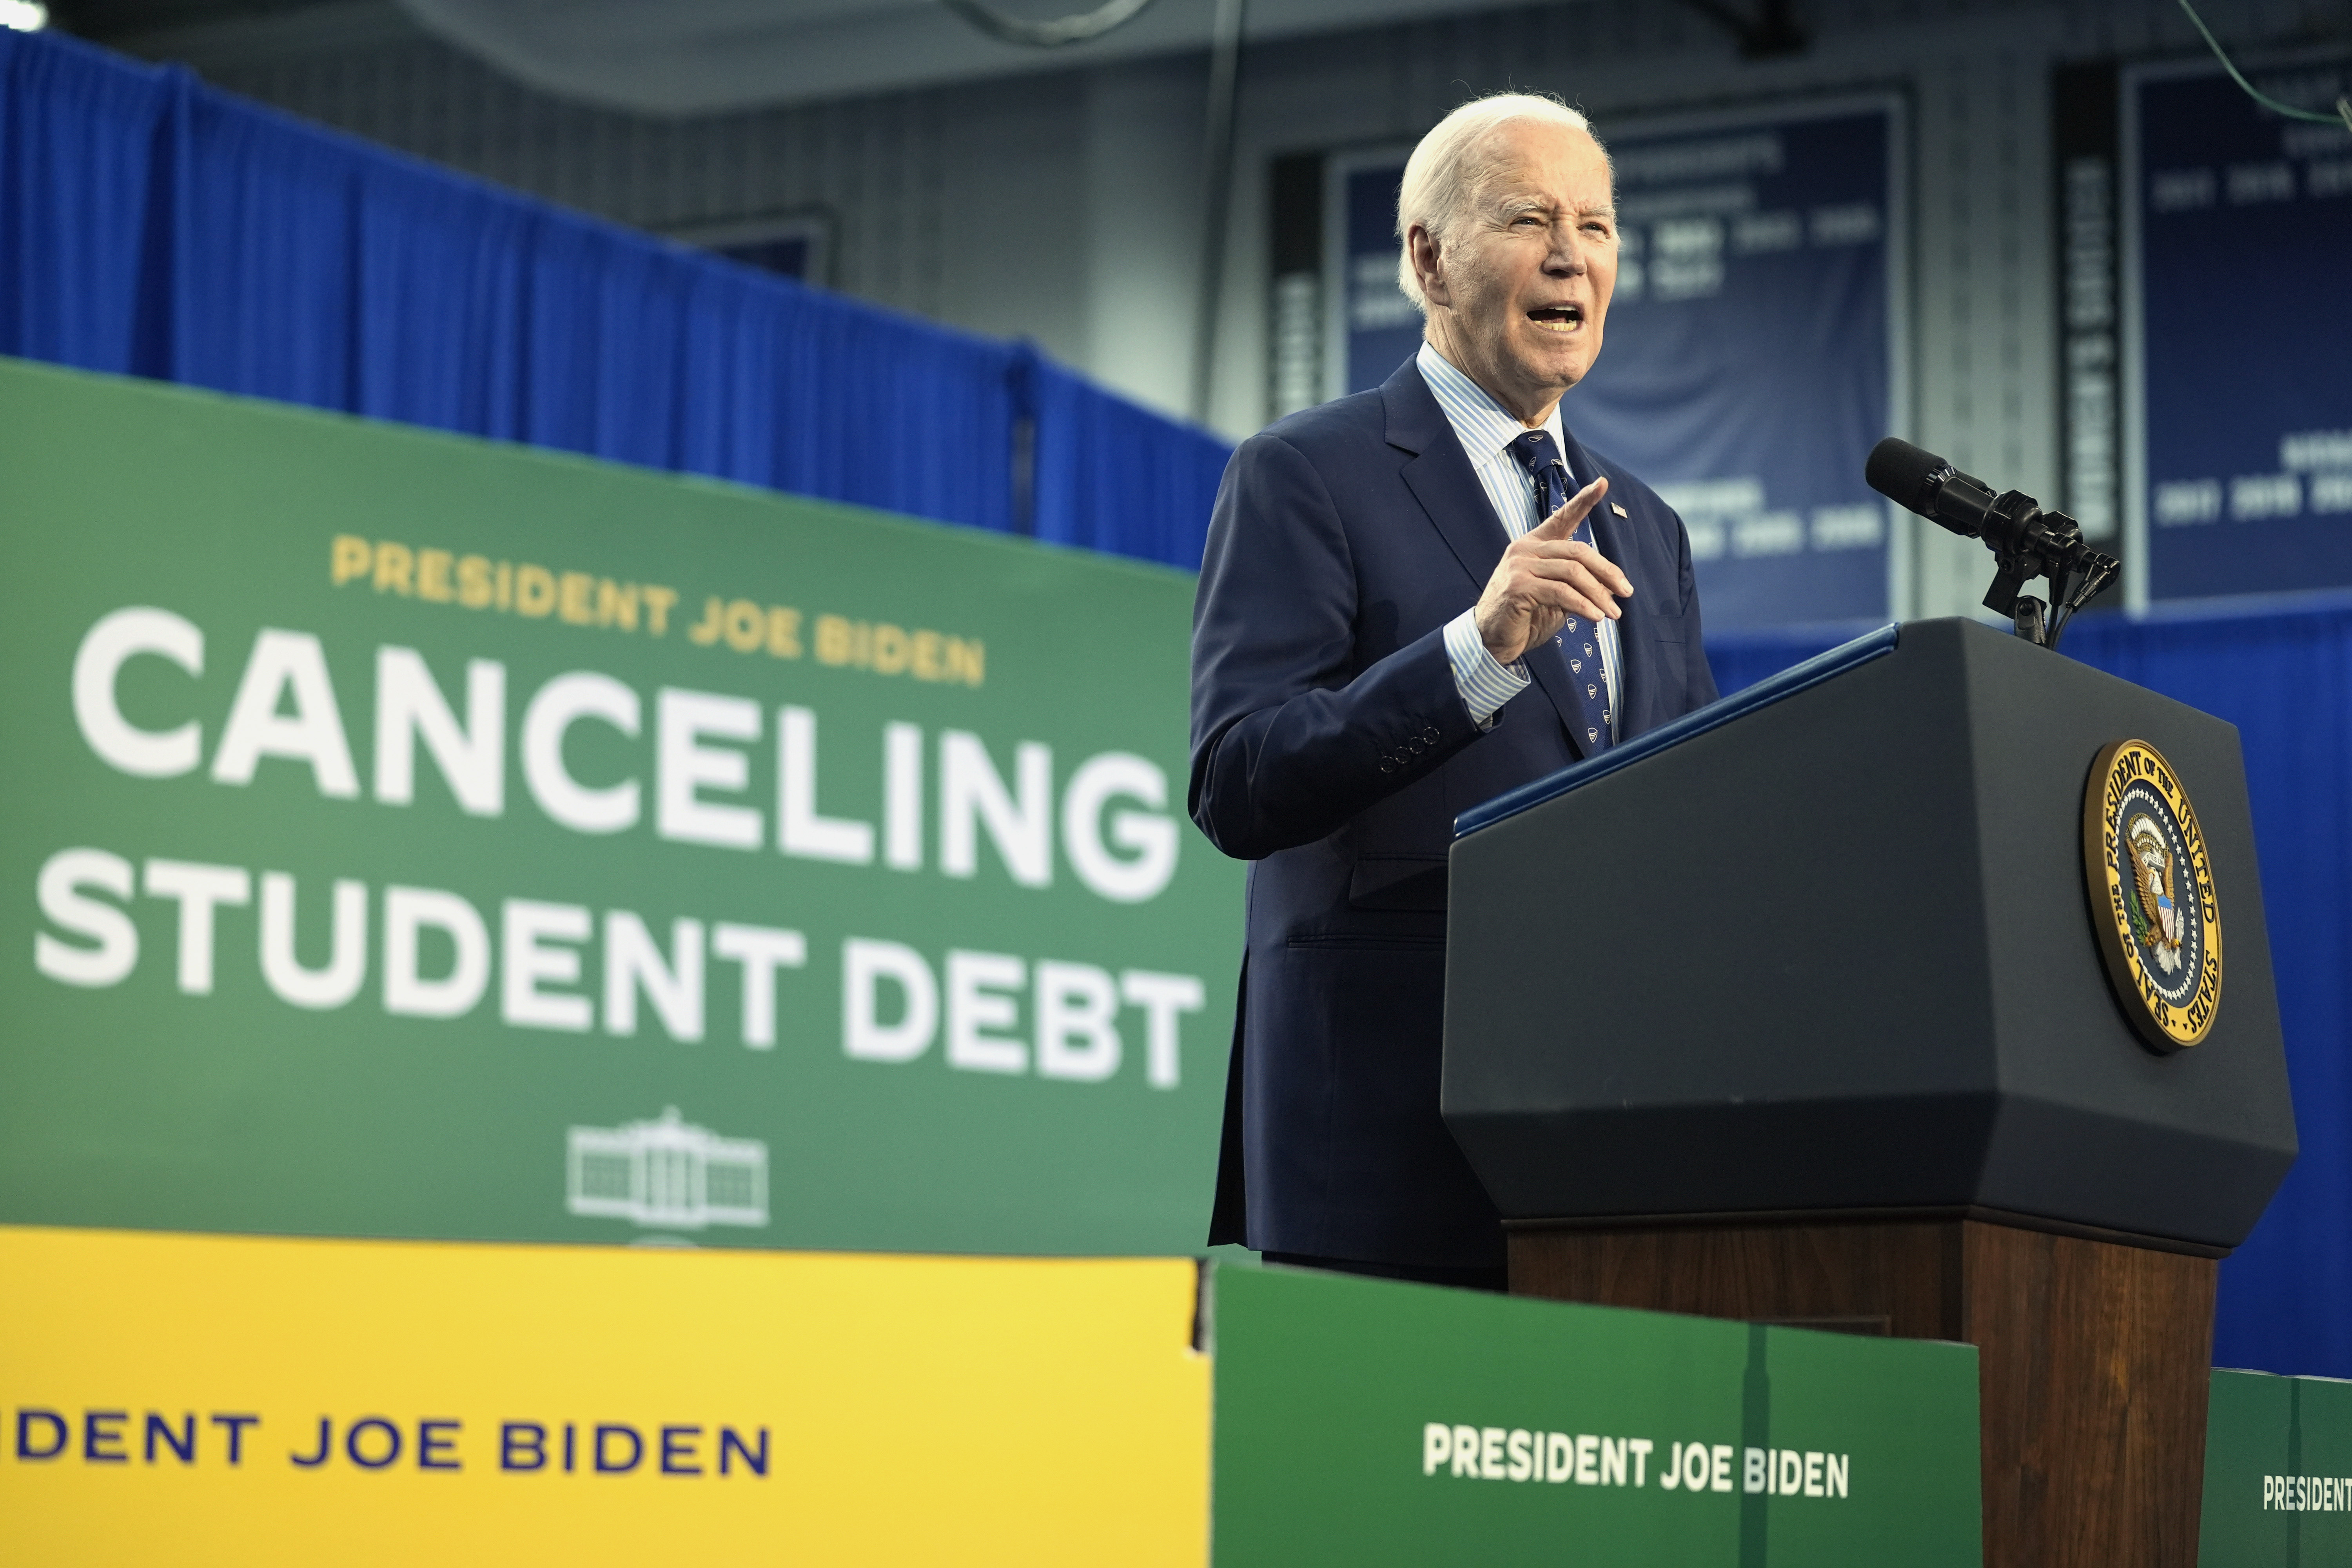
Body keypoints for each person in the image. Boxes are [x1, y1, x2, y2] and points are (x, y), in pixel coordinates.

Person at [1189, 92, 1720, 1289]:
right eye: (1530, 217)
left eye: (1597, 224)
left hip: (1614, 1153)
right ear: (1428, 256)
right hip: (1382, 1146)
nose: (1572, 254)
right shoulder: (1305, 475)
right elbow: (1239, 781)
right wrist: (1474, 651)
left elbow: (1688, 808)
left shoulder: (1650, 528)